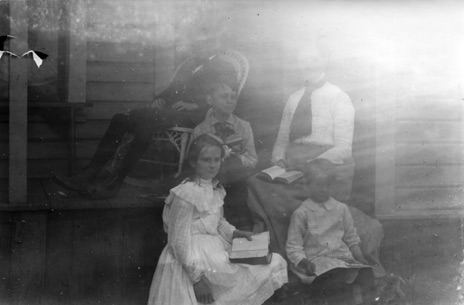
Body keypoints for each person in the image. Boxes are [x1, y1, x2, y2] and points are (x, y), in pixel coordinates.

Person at [246, 45, 386, 279]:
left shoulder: (338, 96)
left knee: (283, 198)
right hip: (292, 166)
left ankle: (294, 259)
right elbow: (281, 139)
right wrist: (279, 159)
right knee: (256, 184)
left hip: (325, 167)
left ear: (323, 62)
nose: (307, 65)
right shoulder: (294, 98)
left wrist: (311, 163)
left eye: (313, 59)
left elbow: (343, 148)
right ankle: (275, 258)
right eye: (303, 61)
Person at [53, 51, 237, 199]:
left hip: (196, 116)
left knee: (142, 122)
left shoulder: (223, 66)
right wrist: (160, 98)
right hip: (170, 113)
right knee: (121, 119)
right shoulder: (191, 63)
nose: (201, 42)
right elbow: (173, 89)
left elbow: (228, 97)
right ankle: (90, 176)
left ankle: (112, 183)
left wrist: (196, 105)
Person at [147, 134, 288, 305]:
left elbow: (219, 222)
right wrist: (196, 280)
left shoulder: (215, 188)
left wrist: (235, 233)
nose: (212, 165)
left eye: (217, 159)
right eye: (206, 160)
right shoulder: (186, 193)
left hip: (215, 249)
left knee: (273, 262)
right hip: (190, 258)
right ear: (193, 162)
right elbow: (178, 240)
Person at [286, 159, 376, 304]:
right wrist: (303, 261)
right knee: (334, 280)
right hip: (315, 261)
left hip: (341, 258)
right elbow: (293, 246)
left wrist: (359, 257)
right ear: (307, 186)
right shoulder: (302, 213)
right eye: (319, 185)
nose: (324, 189)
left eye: (328, 185)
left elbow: (351, 237)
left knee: (367, 273)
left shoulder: (341, 208)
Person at [191, 77, 257, 228]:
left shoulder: (244, 127)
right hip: (210, 182)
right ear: (210, 99)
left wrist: (233, 158)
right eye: (224, 96)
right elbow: (195, 164)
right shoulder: (201, 130)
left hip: (236, 182)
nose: (230, 101)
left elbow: (252, 160)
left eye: (233, 97)